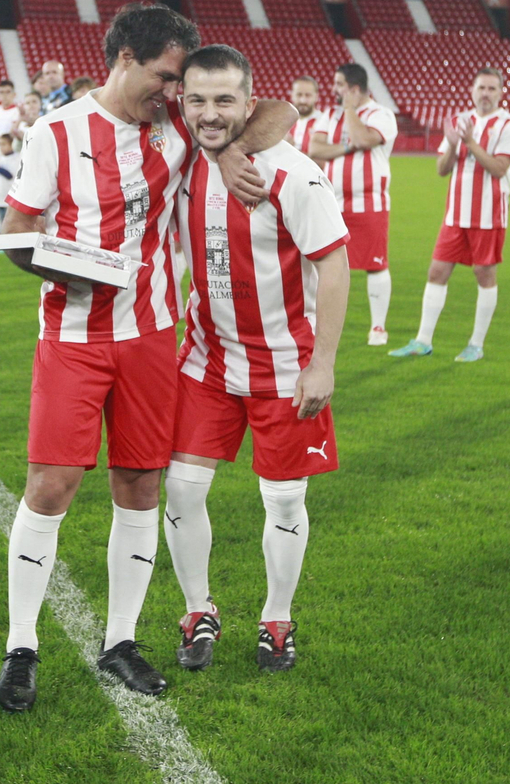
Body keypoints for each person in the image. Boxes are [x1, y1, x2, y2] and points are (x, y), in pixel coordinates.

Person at [0, 3, 295, 713]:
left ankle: (120, 640)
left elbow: (275, 113)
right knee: (51, 486)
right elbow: (15, 232)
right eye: (165, 76)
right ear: (124, 57)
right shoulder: (56, 132)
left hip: (156, 337)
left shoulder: (177, 128)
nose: (173, 91)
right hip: (73, 334)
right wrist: (60, 270)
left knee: (140, 487)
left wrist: (221, 148)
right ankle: (21, 647)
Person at [162, 46, 349, 674]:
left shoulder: (293, 174)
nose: (210, 114)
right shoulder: (182, 154)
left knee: (285, 502)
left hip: (285, 367)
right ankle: (198, 610)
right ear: (181, 102)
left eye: (224, 101)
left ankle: (277, 617)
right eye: (197, 100)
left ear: (248, 103)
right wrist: (223, 149)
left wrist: (323, 363)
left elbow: (333, 262)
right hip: (206, 361)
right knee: (183, 489)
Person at [390, 68, 510, 362]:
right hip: (455, 214)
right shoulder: (459, 121)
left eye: (491, 89)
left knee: (484, 274)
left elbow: (500, 169)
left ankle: (476, 344)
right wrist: (451, 143)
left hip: (489, 214)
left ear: (501, 93)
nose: (485, 93)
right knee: (436, 272)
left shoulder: (509, 125)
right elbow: (441, 169)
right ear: (472, 91)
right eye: (481, 88)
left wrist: (471, 142)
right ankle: (423, 340)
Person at [308, 63, 398, 345]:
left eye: (339, 85)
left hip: (369, 202)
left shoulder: (381, 114)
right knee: (321, 261)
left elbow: (362, 137)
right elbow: (315, 149)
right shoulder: (328, 115)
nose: (334, 90)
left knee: (375, 263)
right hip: (332, 202)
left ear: (354, 89)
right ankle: (314, 322)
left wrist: (349, 110)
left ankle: (378, 328)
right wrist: (347, 148)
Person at [286, 74, 331, 151]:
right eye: (299, 95)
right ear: (292, 95)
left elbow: (324, 158)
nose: (303, 100)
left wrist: (291, 151)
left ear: (316, 97)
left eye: (308, 95)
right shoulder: (283, 121)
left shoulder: (325, 122)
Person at [0, 132, 20, 228]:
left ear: (11, 144)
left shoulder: (16, 157)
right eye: (0, 144)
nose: (1, 147)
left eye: (4, 144)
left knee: (9, 223)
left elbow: (10, 175)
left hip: (8, 196)